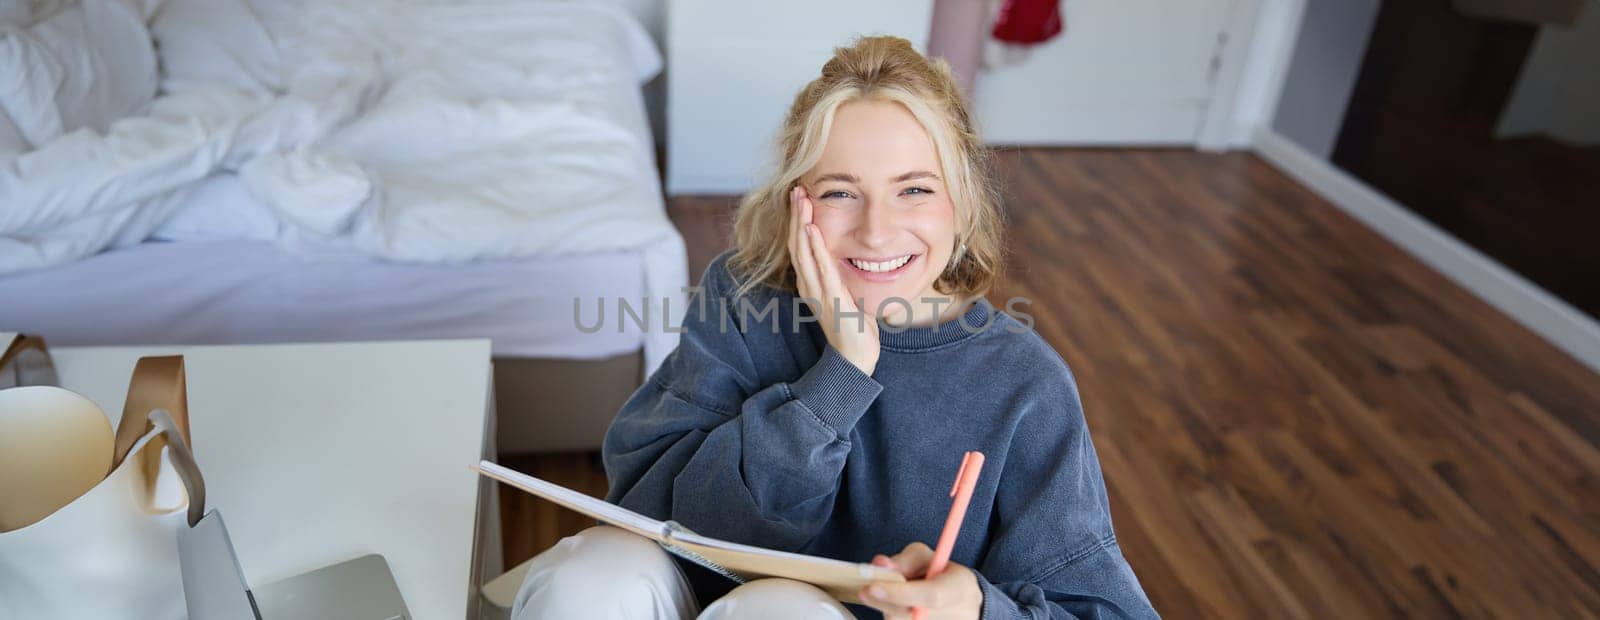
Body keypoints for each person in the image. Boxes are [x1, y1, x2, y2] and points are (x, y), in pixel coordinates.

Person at [512, 35, 1159, 619]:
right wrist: (837, 382)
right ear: (797, 200)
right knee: (591, 574)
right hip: (701, 602)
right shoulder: (743, 301)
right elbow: (661, 510)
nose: (876, 230)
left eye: (914, 190)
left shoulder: (1025, 385)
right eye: (841, 192)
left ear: (962, 205)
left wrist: (978, 607)